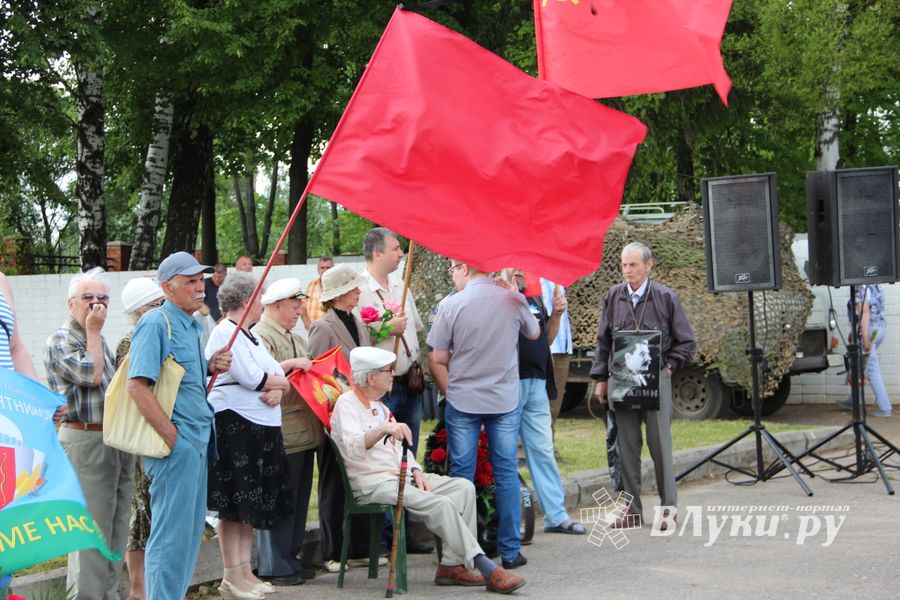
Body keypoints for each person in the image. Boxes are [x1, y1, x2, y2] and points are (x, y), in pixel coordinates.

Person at [331, 346, 526, 594]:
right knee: (442, 504)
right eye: (388, 371)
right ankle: (486, 567)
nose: (393, 375)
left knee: (463, 487)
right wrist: (381, 430)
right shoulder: (346, 405)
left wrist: (416, 472)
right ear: (371, 377)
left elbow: (403, 450)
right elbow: (351, 448)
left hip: (400, 476)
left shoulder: (379, 406)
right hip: (375, 483)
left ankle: (452, 565)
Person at [126, 252, 233, 600]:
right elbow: (136, 386)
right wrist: (173, 439)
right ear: (167, 288)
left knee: (188, 538)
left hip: (198, 444)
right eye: (190, 282)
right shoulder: (156, 323)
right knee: (170, 539)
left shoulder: (189, 324)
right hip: (177, 448)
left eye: (200, 280)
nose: (199, 288)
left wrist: (208, 364)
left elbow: (179, 376)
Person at [427, 260, 539, 570]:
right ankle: (510, 550)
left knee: (462, 474)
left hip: (464, 398)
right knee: (505, 472)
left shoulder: (452, 304)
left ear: (467, 269)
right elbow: (534, 332)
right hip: (503, 398)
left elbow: (438, 356)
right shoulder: (511, 299)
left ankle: (463, 552)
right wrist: (516, 293)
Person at [590, 242, 695, 530]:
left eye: (633, 264)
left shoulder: (665, 297)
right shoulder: (613, 296)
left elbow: (687, 342)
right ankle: (632, 509)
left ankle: (668, 510)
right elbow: (603, 342)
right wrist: (601, 379)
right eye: (624, 264)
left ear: (648, 265)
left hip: (656, 379)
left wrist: (670, 367)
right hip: (621, 380)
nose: (627, 270)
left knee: (660, 445)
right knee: (626, 447)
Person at [44, 267, 133, 600]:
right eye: (88, 298)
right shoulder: (62, 340)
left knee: (116, 528)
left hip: (113, 439)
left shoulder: (98, 339)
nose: (96, 305)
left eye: (103, 299)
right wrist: (94, 332)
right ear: (71, 304)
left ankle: (107, 595)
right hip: (84, 440)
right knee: (89, 534)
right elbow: (92, 376)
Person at [205, 272, 294, 599]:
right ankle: (231, 575)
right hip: (237, 427)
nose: (261, 304)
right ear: (247, 301)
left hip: (260, 428)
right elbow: (252, 377)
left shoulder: (250, 335)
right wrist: (279, 383)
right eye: (259, 298)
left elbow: (277, 371)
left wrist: (278, 382)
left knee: (248, 504)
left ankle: (245, 570)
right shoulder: (224, 333)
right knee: (234, 503)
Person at [357, 227, 431, 554]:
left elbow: (414, 328)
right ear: (377, 253)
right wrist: (388, 328)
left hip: (407, 382)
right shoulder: (360, 290)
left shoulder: (401, 286)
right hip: (381, 389)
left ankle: (407, 530)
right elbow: (361, 339)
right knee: (384, 459)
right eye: (396, 248)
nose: (401, 254)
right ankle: (387, 536)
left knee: (407, 455)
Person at [499, 269, 584, 537]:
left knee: (543, 450)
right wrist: (509, 298)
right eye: (515, 267)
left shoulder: (533, 297)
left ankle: (556, 516)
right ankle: (510, 522)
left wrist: (556, 315)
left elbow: (545, 339)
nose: (520, 271)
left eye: (522, 267)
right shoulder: (499, 296)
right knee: (505, 456)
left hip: (537, 382)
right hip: (510, 383)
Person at [307, 264, 379, 573]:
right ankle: (333, 551)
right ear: (339, 294)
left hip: (360, 412)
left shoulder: (358, 322)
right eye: (354, 288)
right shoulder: (323, 327)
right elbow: (316, 372)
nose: (359, 292)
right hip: (334, 415)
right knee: (334, 483)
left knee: (361, 477)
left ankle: (360, 548)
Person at [253, 278, 319, 586]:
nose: (298, 312)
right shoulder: (260, 336)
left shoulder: (294, 335)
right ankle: (273, 564)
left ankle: (290, 558)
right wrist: (292, 363)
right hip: (278, 431)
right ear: (276, 306)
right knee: (277, 499)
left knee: (297, 498)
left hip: (301, 430)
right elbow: (258, 376)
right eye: (294, 307)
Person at [116, 277, 166, 600]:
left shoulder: (165, 333)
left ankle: (160, 585)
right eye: (158, 305)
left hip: (161, 429)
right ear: (142, 310)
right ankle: (138, 589)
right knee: (141, 510)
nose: (163, 310)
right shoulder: (131, 340)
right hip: (141, 433)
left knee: (158, 510)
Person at [839, 284, 892, 418]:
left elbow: (865, 311)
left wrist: (864, 336)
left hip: (869, 330)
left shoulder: (858, 286)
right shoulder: (876, 284)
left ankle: (885, 408)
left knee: (872, 368)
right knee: (858, 365)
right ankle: (853, 400)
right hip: (879, 329)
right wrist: (855, 331)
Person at [540, 278, 573, 458]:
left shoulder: (559, 274)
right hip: (545, 345)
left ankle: (549, 446)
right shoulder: (528, 270)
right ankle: (522, 450)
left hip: (562, 345)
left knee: (555, 402)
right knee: (538, 402)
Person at [300, 256, 333, 330]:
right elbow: (302, 306)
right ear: (318, 269)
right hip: (312, 330)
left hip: (332, 332)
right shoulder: (311, 285)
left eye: (328, 268)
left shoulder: (338, 286)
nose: (325, 270)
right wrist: (306, 322)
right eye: (322, 267)